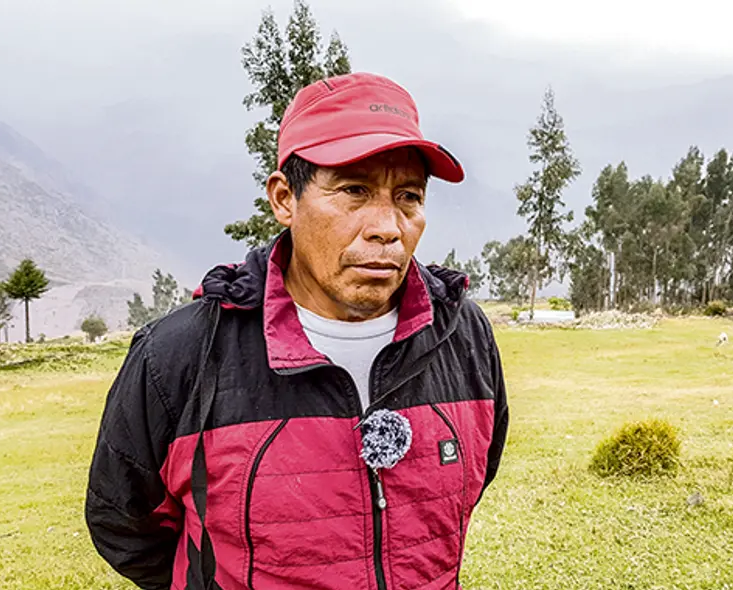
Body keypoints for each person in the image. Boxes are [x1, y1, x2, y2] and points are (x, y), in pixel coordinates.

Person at [85, 72, 509, 590]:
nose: (388, 227)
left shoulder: (462, 336)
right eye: (354, 190)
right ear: (285, 198)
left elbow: (469, 485)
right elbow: (122, 521)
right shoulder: (182, 354)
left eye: (408, 197)